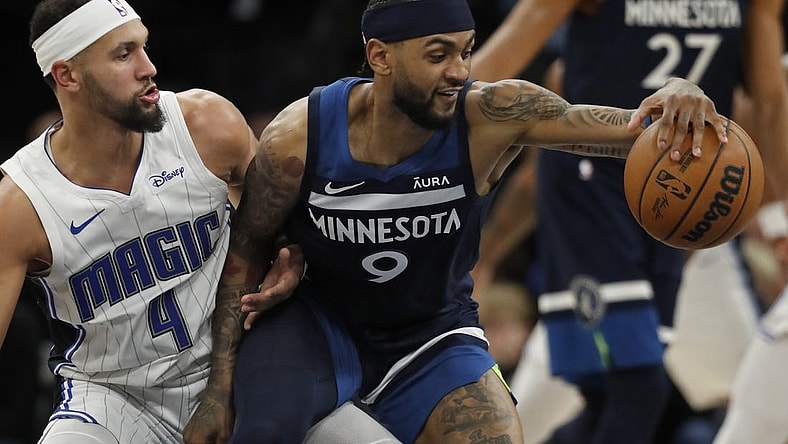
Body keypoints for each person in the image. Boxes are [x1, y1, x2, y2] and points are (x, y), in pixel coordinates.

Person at [184, 0, 729, 443]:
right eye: (439, 55)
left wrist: (680, 98)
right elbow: (246, 250)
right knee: (266, 432)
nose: (460, 72)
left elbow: (624, 131)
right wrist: (217, 389)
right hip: (319, 325)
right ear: (380, 56)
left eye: (466, 52)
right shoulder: (298, 137)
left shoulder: (490, 115)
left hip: (432, 331)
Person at [469, 0, 788, 442]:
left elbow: (767, 101)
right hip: (593, 190)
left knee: (613, 392)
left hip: (681, 203)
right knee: (639, 388)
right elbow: (491, 70)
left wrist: (777, 220)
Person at [0, 1, 301, 442]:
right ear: (67, 76)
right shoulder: (20, 202)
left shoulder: (207, 124)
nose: (149, 67)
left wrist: (293, 257)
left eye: (144, 47)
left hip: (238, 362)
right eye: (124, 55)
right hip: (113, 395)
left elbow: (285, 232)